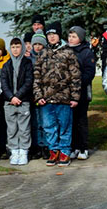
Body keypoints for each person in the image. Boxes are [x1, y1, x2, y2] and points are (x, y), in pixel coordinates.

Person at [33, 23, 81, 167]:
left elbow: (76, 76)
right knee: (49, 126)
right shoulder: (42, 54)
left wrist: (75, 97)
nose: (52, 37)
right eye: (49, 35)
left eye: (54, 34)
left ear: (59, 35)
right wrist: (38, 95)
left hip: (64, 98)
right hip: (46, 99)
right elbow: (37, 76)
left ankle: (65, 152)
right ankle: (53, 151)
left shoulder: (68, 53)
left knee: (65, 126)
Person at [0, 37, 33, 165]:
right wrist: (11, 97)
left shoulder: (28, 63)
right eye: (13, 47)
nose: (15, 49)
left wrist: (18, 96)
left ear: (22, 48)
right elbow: (3, 83)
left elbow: (28, 81)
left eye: (18, 47)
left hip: (23, 101)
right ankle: (14, 151)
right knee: (12, 128)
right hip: (9, 102)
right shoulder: (6, 65)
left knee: (24, 128)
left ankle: (24, 151)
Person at [67, 26, 96, 160]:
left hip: (82, 92)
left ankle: (83, 147)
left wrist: (77, 83)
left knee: (81, 120)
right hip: (67, 93)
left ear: (80, 38)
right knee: (70, 121)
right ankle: (74, 147)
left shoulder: (86, 52)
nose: (71, 39)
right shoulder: (65, 50)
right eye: (70, 36)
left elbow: (89, 72)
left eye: (74, 36)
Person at [28, 32, 47, 159]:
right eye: (35, 44)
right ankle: (36, 146)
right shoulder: (28, 60)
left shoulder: (48, 58)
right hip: (32, 96)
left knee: (44, 123)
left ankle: (45, 146)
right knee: (34, 123)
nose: (38, 47)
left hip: (44, 96)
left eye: (40, 44)